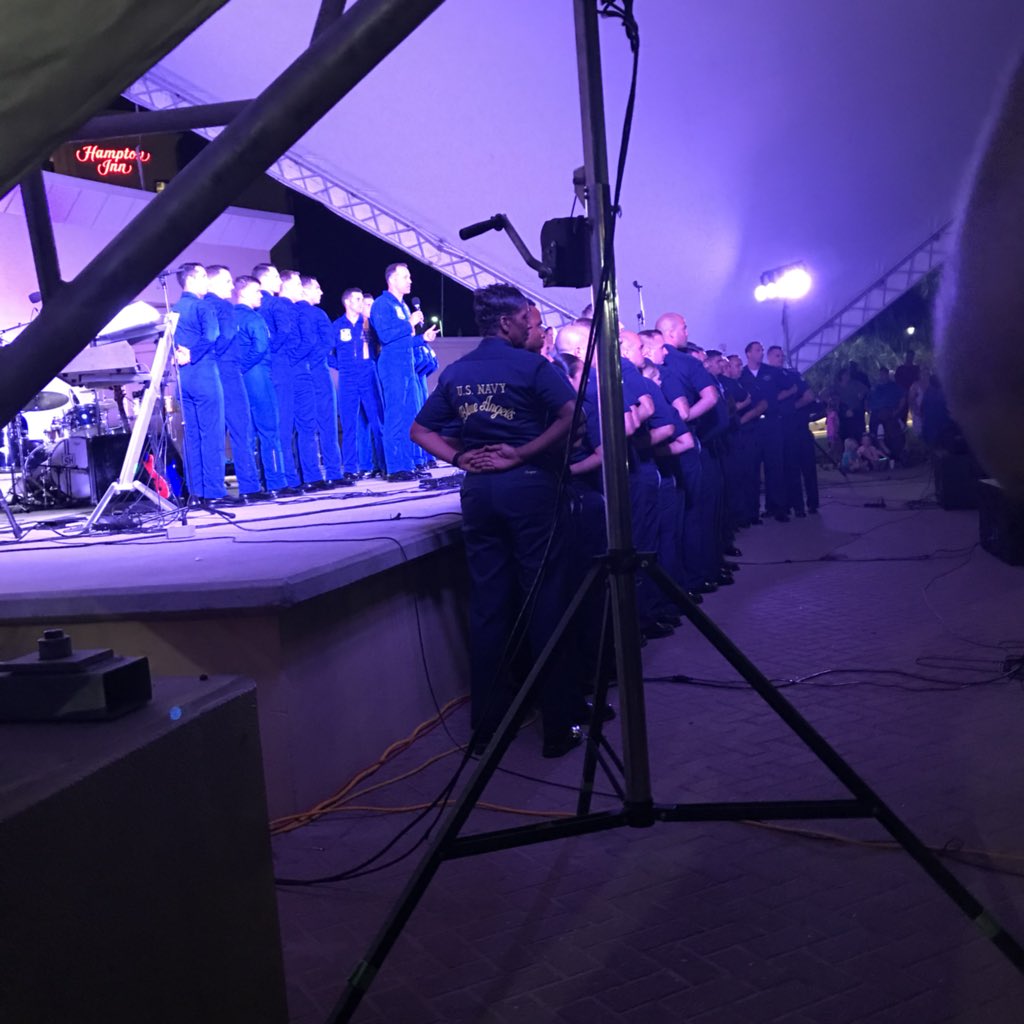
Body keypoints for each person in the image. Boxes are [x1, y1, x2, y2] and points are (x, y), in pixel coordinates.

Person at [410, 283, 581, 759]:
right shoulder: (533, 366)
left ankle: (487, 730)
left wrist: (463, 458)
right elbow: (572, 414)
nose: (533, 326)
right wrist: (521, 452)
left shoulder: (458, 371)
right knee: (545, 601)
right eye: (528, 319)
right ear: (506, 323)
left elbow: (420, 430)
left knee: (489, 607)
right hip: (529, 487)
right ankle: (558, 725)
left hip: (479, 494)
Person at [371, 262, 438, 482]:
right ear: (392, 280)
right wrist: (409, 322)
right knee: (395, 415)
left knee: (410, 414)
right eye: (405, 277)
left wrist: (422, 339)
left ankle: (409, 462)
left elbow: (405, 339)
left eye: (410, 277)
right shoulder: (382, 304)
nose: (410, 280)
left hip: (407, 364)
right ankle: (395, 467)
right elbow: (385, 335)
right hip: (392, 365)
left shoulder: (404, 305)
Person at [205, 265, 264, 502]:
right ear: (213, 283)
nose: (232, 287)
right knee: (241, 430)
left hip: (211, 372)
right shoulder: (224, 307)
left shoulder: (202, 306)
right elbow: (226, 336)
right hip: (228, 371)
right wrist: (230, 362)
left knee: (213, 434)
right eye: (227, 281)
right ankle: (250, 486)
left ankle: (211, 490)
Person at [172, 263, 225, 504]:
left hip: (184, 379)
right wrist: (193, 354)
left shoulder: (174, 308)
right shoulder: (203, 306)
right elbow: (212, 335)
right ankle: (213, 492)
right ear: (191, 280)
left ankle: (195, 493)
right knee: (211, 433)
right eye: (204, 276)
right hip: (203, 374)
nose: (207, 281)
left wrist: (182, 355)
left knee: (192, 436)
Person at [233, 275, 288, 496]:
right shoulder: (254, 318)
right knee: (269, 430)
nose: (260, 297)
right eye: (257, 292)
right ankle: (276, 482)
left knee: (246, 434)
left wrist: (238, 369)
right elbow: (261, 347)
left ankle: (249, 486)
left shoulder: (229, 318)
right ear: (244, 292)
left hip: (240, 380)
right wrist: (245, 366)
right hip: (258, 375)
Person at [298, 275, 348, 487]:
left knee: (306, 427)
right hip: (317, 373)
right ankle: (333, 473)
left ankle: (311, 476)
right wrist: (314, 360)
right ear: (305, 290)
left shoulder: (294, 312)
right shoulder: (316, 313)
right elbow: (329, 341)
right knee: (326, 424)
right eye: (317, 288)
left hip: (301, 371)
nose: (321, 292)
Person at [333, 287, 384, 480]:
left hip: (368, 376)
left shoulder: (369, 325)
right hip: (347, 379)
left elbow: (381, 346)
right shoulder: (338, 326)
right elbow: (326, 351)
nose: (361, 302)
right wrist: (340, 366)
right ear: (347, 302)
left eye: (362, 299)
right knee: (349, 425)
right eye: (357, 299)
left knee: (377, 422)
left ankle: (384, 465)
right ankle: (351, 469)